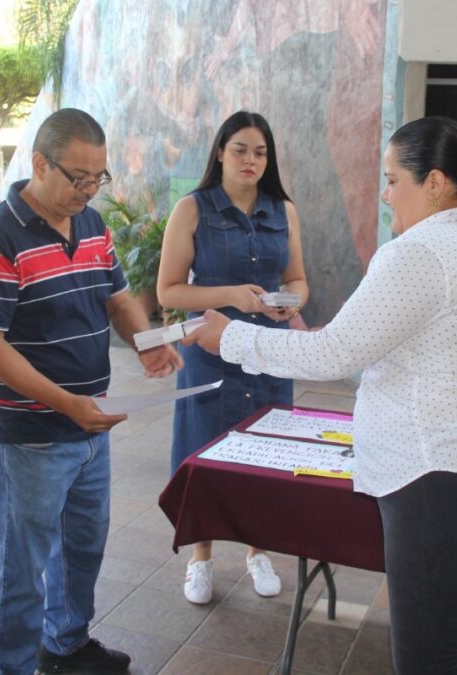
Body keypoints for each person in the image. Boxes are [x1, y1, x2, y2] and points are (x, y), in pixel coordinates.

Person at [184, 116, 457, 674]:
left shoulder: (420, 252)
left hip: (438, 482)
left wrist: (231, 337)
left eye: (393, 179)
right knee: (438, 651)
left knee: (428, 661)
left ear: (436, 182)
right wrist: (305, 333)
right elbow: (377, 353)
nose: (386, 194)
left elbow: (335, 358)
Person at [0, 108, 182, 675]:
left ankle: (65, 644)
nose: (89, 190)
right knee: (21, 566)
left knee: (82, 547)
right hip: (31, 434)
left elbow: (117, 298)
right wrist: (66, 405)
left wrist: (146, 341)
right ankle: (6, 667)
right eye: (78, 177)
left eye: (98, 178)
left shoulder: (91, 225)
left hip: (91, 426)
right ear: (39, 163)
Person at [156, 110, 308, 604]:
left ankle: (257, 550)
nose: (250, 160)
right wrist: (233, 297)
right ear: (220, 151)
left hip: (268, 352)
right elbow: (170, 291)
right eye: (240, 149)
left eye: (260, 152)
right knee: (206, 453)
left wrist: (291, 304)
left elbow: (298, 281)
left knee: (264, 452)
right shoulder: (194, 209)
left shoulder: (282, 210)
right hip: (210, 351)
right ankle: (201, 560)